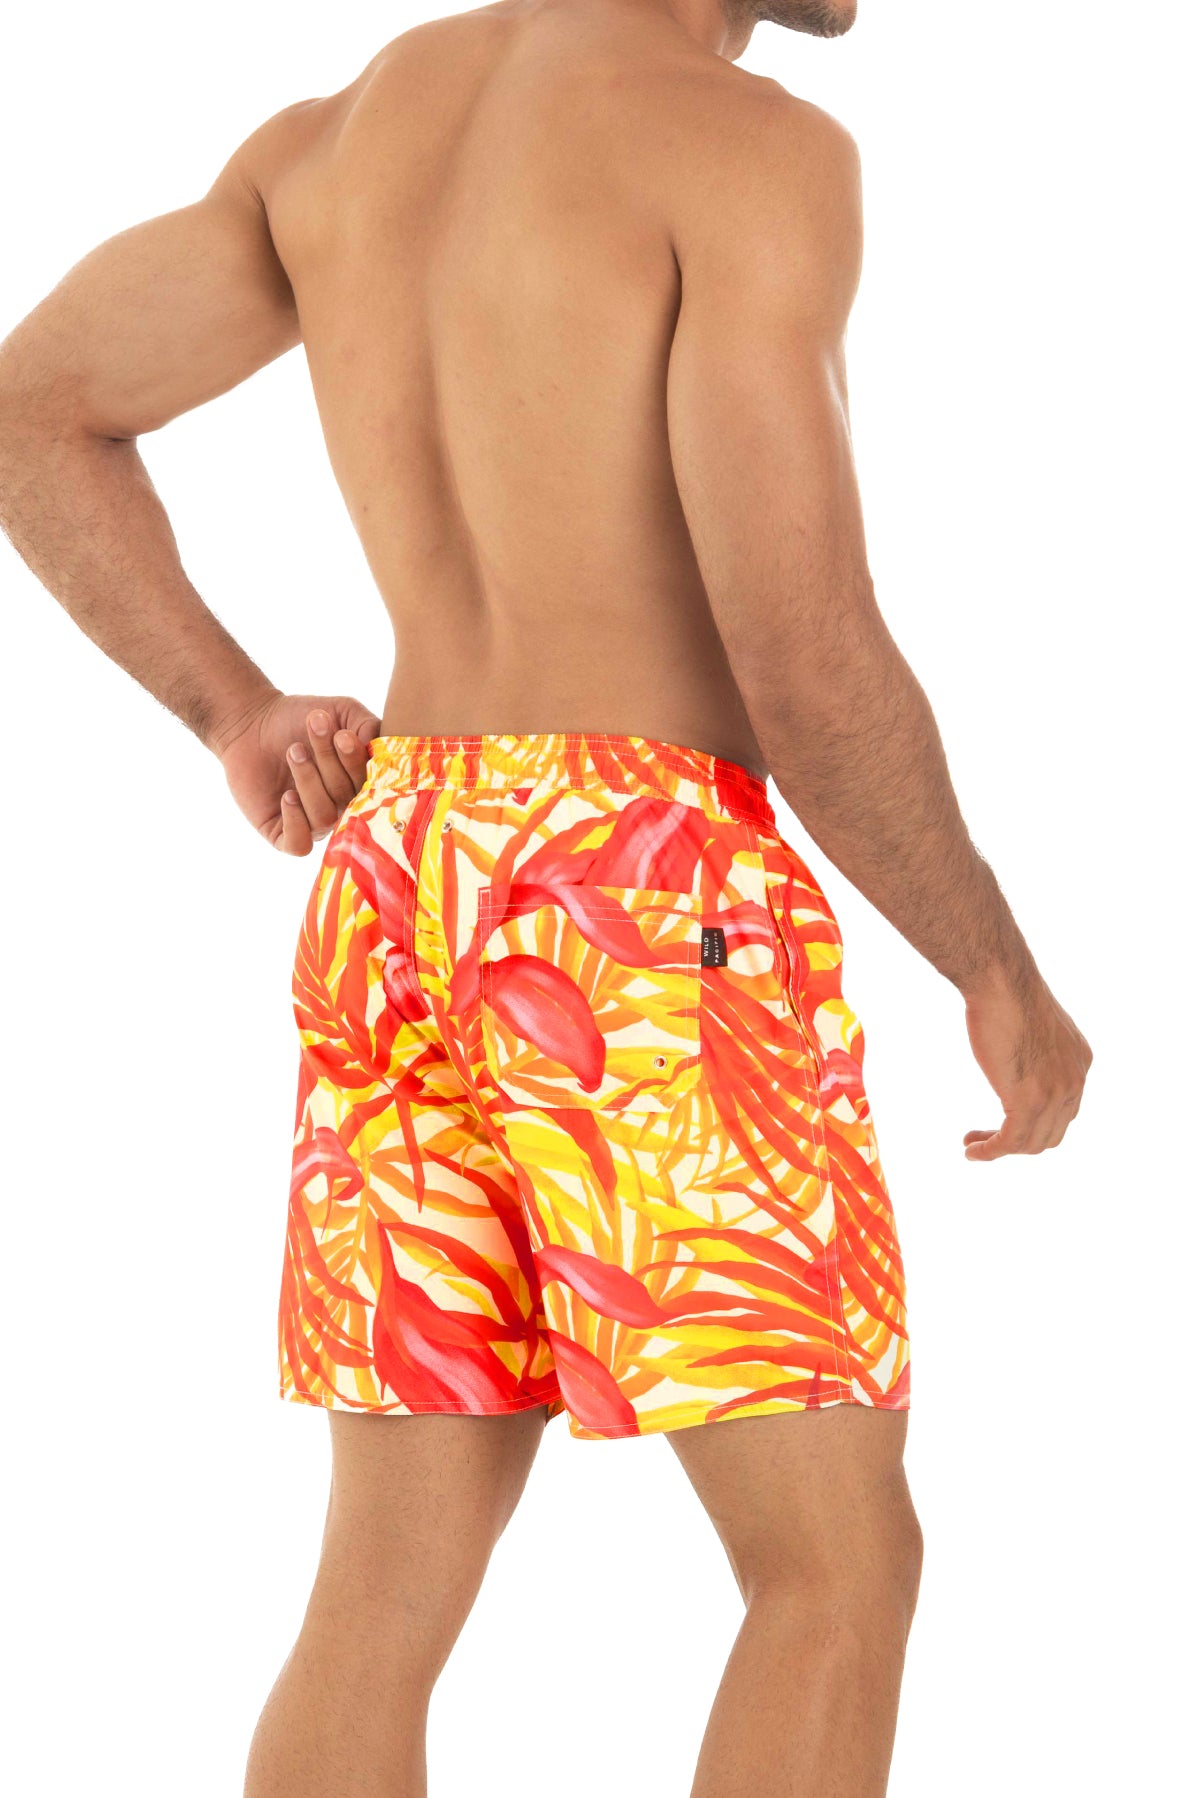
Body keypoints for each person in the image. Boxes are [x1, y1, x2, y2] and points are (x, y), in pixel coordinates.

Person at [0, 0, 1092, 1792]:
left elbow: (32, 406)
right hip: (638, 898)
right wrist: (990, 961)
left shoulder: (338, 139)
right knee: (832, 1569)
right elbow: (801, 649)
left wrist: (237, 711)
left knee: (379, 1596)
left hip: (401, 868)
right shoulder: (748, 151)